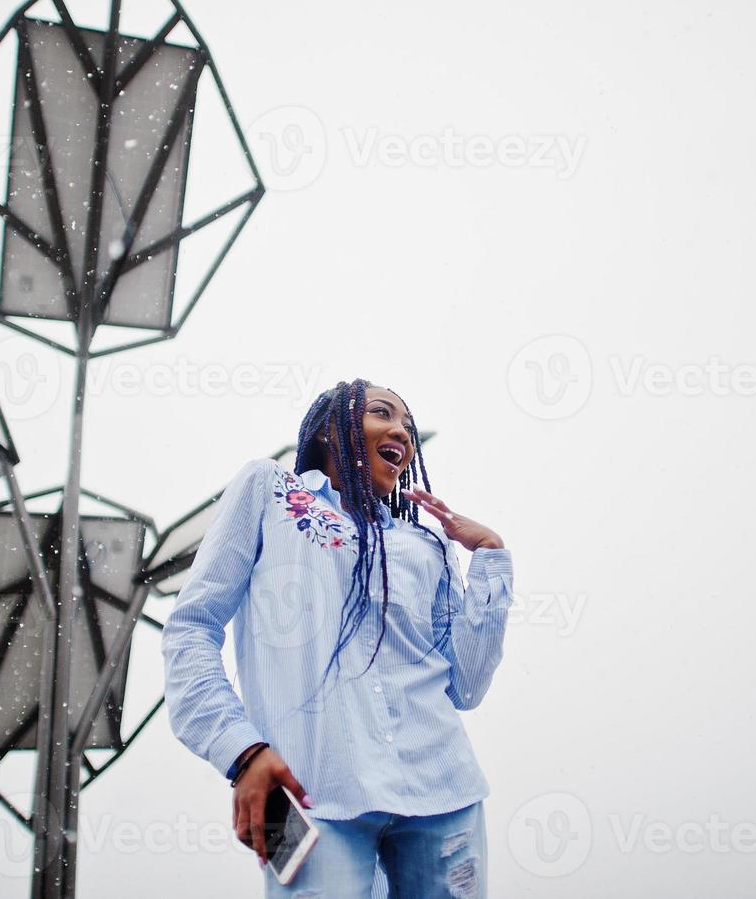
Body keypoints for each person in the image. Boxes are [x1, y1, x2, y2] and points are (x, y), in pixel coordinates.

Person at [160, 378, 514, 897]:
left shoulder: (424, 543)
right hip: (306, 794)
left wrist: (489, 556)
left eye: (409, 427)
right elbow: (192, 626)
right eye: (382, 413)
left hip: (445, 793)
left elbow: (466, 686)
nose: (402, 431)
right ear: (331, 429)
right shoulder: (271, 491)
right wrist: (240, 751)